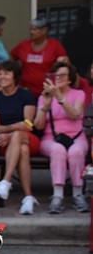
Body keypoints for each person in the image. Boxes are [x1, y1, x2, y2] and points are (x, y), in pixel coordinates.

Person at [32, 61, 89, 214]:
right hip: (51, 139)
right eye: (56, 75)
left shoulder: (79, 94)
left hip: (76, 138)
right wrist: (45, 105)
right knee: (58, 150)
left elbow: (75, 114)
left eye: (62, 75)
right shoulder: (44, 97)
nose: (58, 78)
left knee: (76, 151)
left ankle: (78, 194)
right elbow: (38, 125)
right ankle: (57, 195)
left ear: (70, 78)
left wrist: (59, 96)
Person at [0, 60, 40, 214]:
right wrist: (13, 130)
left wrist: (9, 133)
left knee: (19, 137)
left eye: (6, 73)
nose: (2, 76)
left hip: (30, 139)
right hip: (8, 144)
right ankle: (28, 197)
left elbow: (28, 125)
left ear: (15, 77)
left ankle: (6, 180)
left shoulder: (26, 95)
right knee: (22, 150)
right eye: (0, 73)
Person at [10, 17, 67, 97]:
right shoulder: (23, 45)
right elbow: (11, 58)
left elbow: (66, 65)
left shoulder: (55, 46)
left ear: (44, 31)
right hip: (25, 91)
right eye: (30, 29)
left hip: (47, 92)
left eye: (35, 29)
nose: (31, 32)